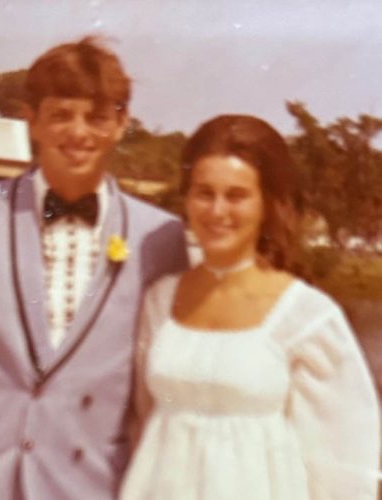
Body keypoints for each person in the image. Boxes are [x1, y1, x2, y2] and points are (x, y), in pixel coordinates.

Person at [0, 37, 189, 500]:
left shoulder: (160, 239)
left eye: (96, 117)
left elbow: (160, 395)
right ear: (32, 120)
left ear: (121, 123)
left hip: (89, 487)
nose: (78, 132)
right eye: (61, 115)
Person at [119, 114, 380, 500]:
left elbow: (343, 458)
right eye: (204, 193)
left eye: (237, 195)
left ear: (267, 204)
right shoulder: (161, 301)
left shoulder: (306, 316)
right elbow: (144, 419)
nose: (217, 211)